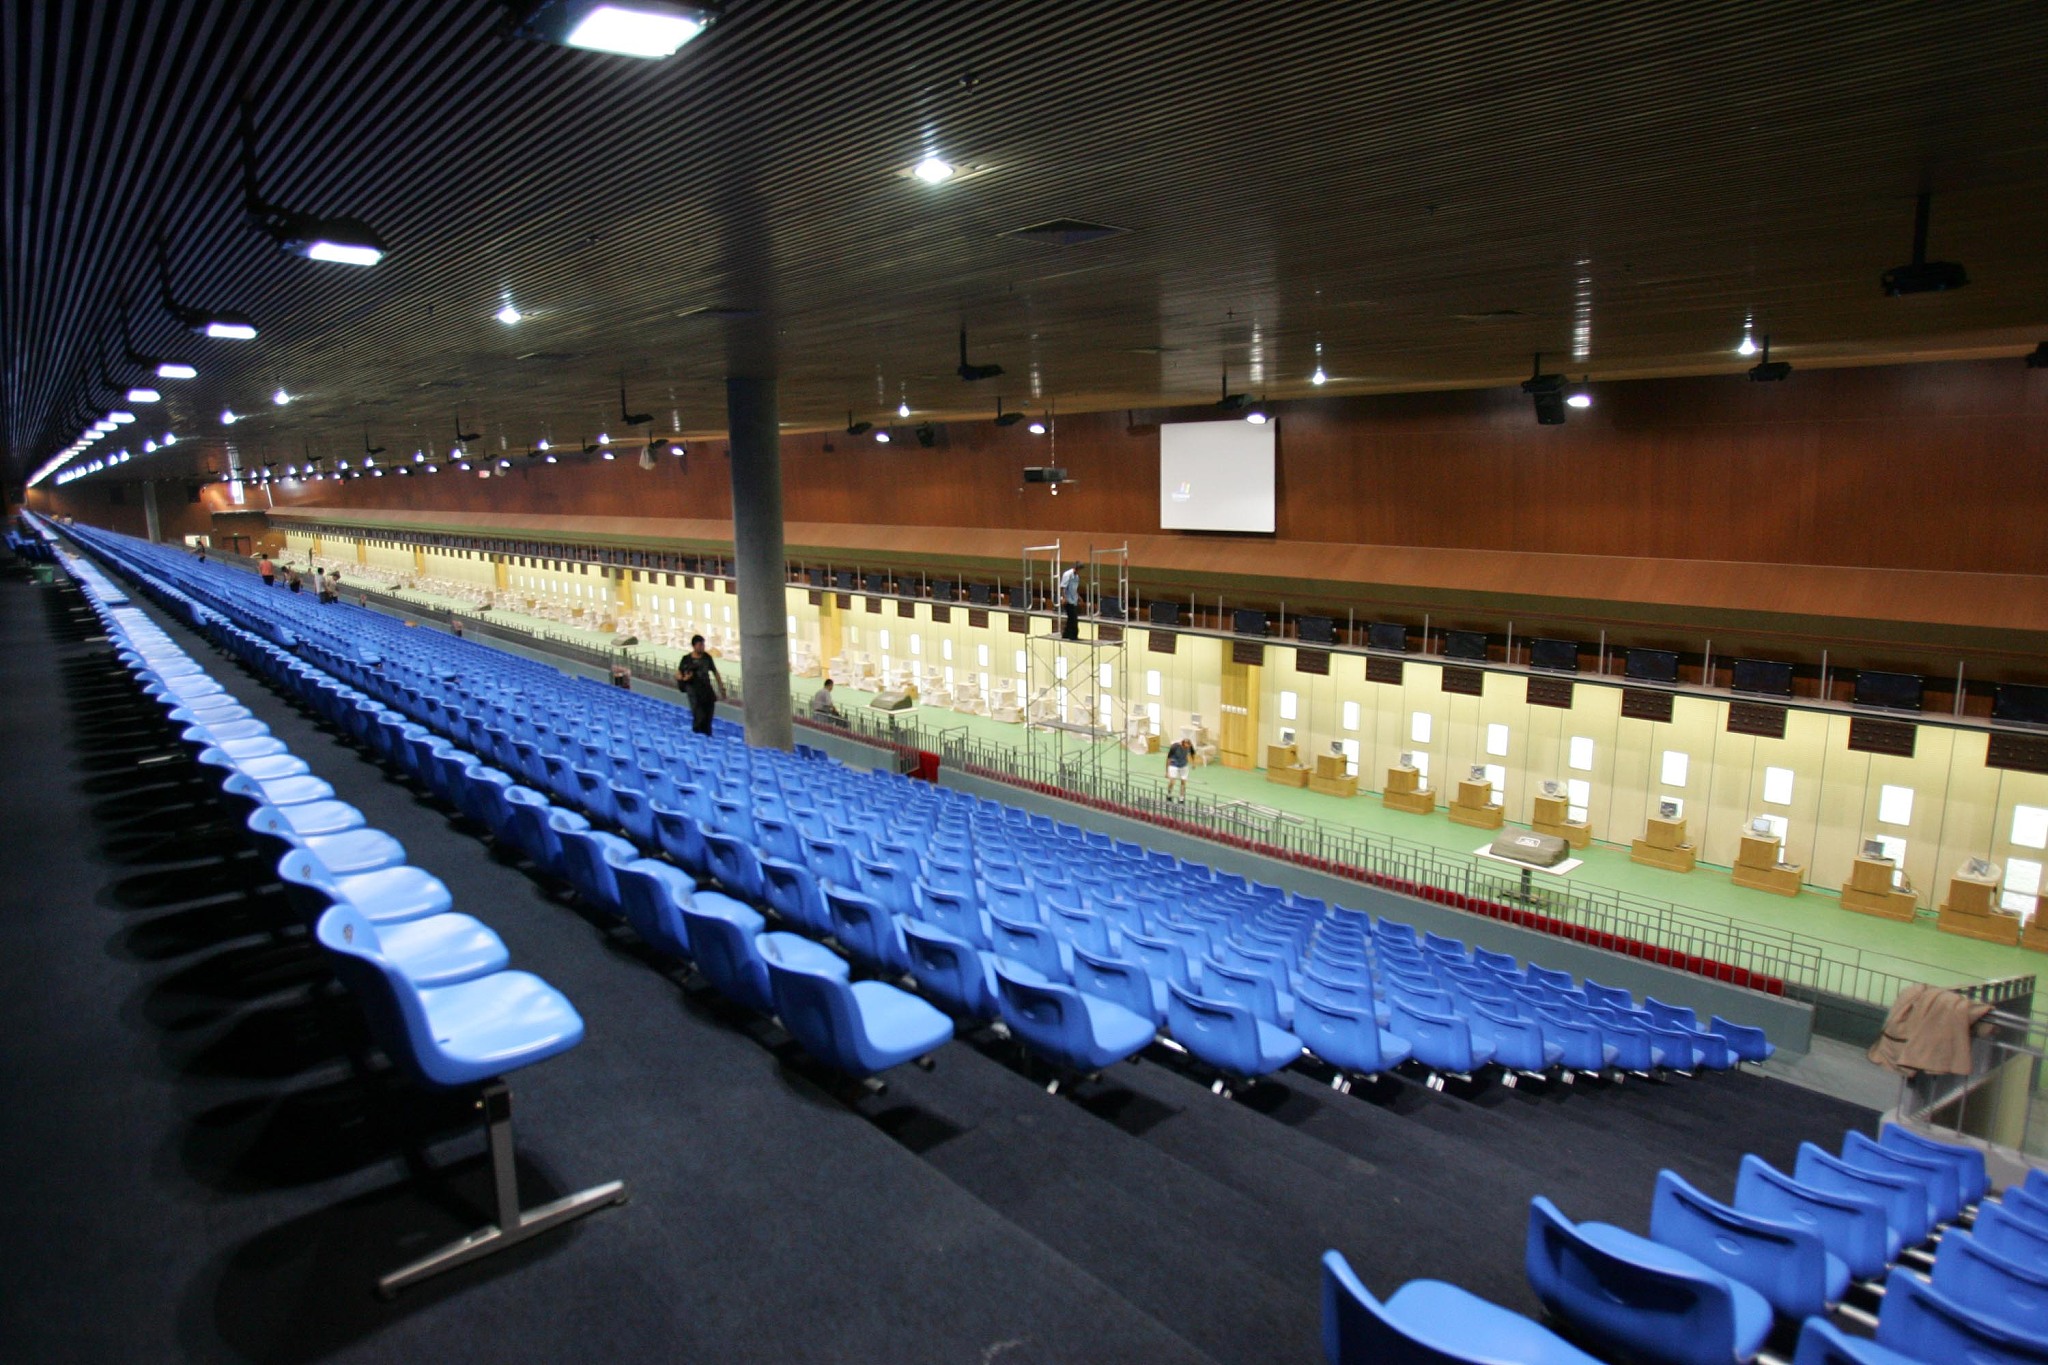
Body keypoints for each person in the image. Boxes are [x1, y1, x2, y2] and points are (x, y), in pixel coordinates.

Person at [675, 634, 726, 736]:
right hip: (694, 691)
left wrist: (721, 687)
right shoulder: (686, 659)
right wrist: (683, 678)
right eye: (700, 645)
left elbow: (715, 672)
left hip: (706, 691)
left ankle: (707, 736)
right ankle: (697, 737)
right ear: (694, 646)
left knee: (708, 716)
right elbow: (678, 673)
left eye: (703, 645)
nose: (702, 647)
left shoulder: (707, 658)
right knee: (699, 716)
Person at [1165, 735, 1194, 801]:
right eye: (1186, 747)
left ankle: (1181, 797)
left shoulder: (1189, 747)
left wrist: (1193, 762)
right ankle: (1169, 794)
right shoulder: (1174, 747)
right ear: (1182, 744)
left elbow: (1192, 753)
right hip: (1174, 764)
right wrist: (1166, 772)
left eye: (1188, 747)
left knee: (1183, 782)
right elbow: (1168, 759)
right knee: (1172, 781)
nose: (1187, 748)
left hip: (1183, 765)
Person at [1058, 564, 1080, 639]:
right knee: (1073, 618)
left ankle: (1067, 634)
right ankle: (1072, 635)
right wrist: (1064, 598)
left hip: (1073, 600)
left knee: (1072, 618)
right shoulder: (1067, 574)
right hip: (1067, 600)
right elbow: (1063, 587)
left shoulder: (1076, 576)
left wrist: (1078, 597)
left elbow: (1074, 588)